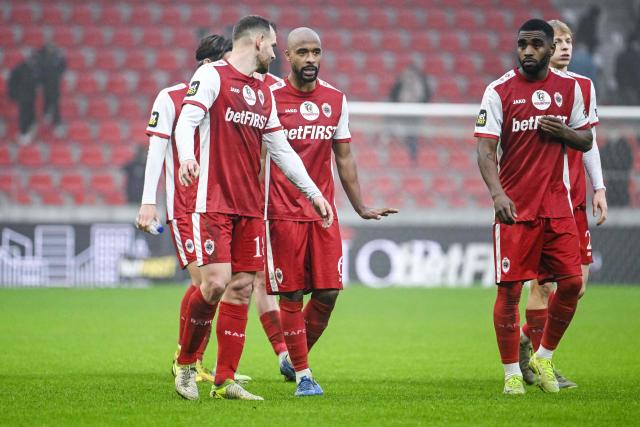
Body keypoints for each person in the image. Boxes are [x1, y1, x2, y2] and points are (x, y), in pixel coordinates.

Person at [174, 15, 333, 401]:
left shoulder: (263, 91)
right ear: (258, 41)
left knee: (242, 288)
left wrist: (314, 193)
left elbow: (281, 148)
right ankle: (185, 364)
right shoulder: (213, 76)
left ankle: (225, 381)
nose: (277, 53)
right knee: (213, 284)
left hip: (249, 207)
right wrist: (184, 157)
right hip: (212, 202)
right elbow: (187, 120)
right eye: (274, 45)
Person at [265, 27, 398, 396]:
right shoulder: (270, 97)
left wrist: (359, 205)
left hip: (323, 212)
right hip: (281, 211)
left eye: (316, 52)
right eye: (303, 52)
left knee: (328, 293)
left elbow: (344, 155)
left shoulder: (335, 99)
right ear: (287, 57)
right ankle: (305, 376)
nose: (311, 60)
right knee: (291, 295)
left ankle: (294, 357)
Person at [475, 19, 593, 395]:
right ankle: (511, 371)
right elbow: (484, 150)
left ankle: (543, 355)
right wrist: (497, 196)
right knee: (509, 291)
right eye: (522, 44)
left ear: (548, 47)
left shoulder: (569, 88)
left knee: (572, 284)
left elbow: (587, 139)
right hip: (516, 207)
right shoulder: (498, 91)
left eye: (536, 44)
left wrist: (564, 134)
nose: (528, 51)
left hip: (558, 206)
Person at [136, 34, 256, 386]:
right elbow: (156, 150)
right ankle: (186, 359)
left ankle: (194, 361)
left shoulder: (229, 99)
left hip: (217, 205)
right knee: (206, 282)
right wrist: (148, 202)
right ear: (208, 65)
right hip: (185, 206)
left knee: (219, 283)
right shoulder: (172, 98)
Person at [518, 19, 608, 389]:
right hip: (543, 202)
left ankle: (526, 340)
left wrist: (598, 187)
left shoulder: (582, 87)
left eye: (571, 40)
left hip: (574, 201)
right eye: (561, 41)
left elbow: (589, 140)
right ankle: (542, 364)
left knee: (577, 285)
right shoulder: (528, 88)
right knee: (542, 285)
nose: (567, 47)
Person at [7, 53, 39, 145]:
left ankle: (29, 132)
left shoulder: (35, 69)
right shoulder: (19, 68)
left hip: (31, 97)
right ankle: (23, 133)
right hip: (23, 96)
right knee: (24, 115)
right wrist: (14, 95)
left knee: (31, 114)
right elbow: (12, 82)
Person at [36, 43, 66, 129]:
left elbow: (62, 67)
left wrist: (58, 75)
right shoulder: (41, 57)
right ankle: (47, 114)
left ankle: (57, 122)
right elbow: (38, 69)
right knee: (46, 99)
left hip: (54, 83)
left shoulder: (57, 57)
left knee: (55, 102)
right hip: (45, 83)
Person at [614, 34, 640, 105]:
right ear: (634, 43)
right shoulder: (637, 57)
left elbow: (617, 73)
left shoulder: (620, 56)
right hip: (634, 89)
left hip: (622, 88)